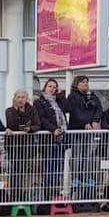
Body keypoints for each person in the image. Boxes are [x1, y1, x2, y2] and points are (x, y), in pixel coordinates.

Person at [64, 75, 104, 208]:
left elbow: (99, 108)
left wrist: (95, 120)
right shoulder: (72, 97)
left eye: (87, 81)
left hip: (89, 132)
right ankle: (76, 184)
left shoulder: (92, 95)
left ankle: (87, 185)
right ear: (76, 84)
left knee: (87, 158)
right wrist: (85, 122)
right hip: (77, 130)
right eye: (83, 82)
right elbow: (75, 112)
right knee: (77, 158)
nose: (86, 84)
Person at [34, 78, 67, 208]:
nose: (52, 89)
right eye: (50, 86)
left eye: (55, 87)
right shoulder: (39, 102)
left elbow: (68, 107)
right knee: (49, 166)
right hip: (48, 139)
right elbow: (41, 119)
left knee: (58, 167)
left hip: (60, 139)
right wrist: (53, 129)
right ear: (44, 88)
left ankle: (56, 192)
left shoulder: (58, 101)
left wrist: (60, 95)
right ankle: (48, 194)